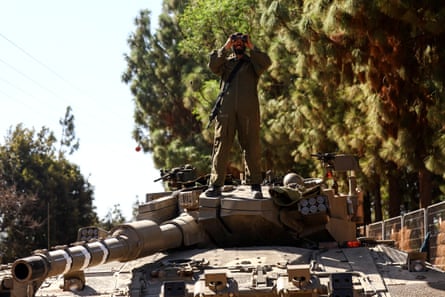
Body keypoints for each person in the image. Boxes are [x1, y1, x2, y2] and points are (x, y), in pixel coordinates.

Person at [205, 32, 272, 198]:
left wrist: (251, 45)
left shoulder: (253, 64)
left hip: (248, 111)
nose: (239, 44)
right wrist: (226, 45)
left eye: (242, 42)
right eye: (236, 42)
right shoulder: (226, 64)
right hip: (226, 112)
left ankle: (255, 185)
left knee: (252, 147)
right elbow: (213, 66)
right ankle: (215, 185)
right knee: (221, 147)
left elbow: (266, 62)